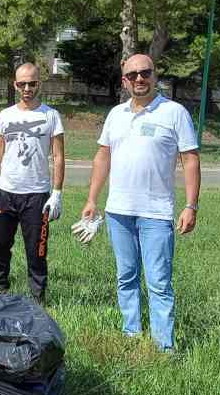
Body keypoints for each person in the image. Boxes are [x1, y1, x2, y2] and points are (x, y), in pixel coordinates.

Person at [80, 53, 201, 352]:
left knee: (159, 282)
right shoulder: (115, 115)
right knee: (126, 276)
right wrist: (92, 199)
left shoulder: (174, 113)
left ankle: (164, 346)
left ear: (155, 75)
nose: (139, 79)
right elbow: (102, 157)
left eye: (145, 73)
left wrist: (191, 205)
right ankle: (131, 334)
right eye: (132, 75)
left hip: (156, 214)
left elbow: (190, 160)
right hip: (118, 211)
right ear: (124, 80)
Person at [0, 63, 65, 304]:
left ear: (39, 84)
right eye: (22, 83)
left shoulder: (51, 116)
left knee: (37, 250)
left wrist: (56, 192)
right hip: (6, 192)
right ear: (15, 85)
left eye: (32, 83)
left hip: (37, 195)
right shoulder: (6, 115)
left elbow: (58, 156)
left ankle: (37, 298)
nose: (27, 88)